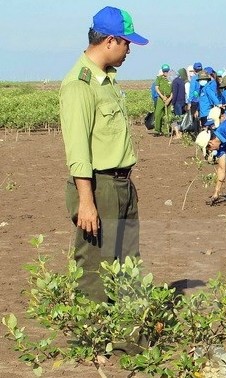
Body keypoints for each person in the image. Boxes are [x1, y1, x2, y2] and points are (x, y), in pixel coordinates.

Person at [59, 6, 148, 303]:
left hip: (121, 184)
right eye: (126, 43)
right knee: (96, 271)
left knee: (128, 265)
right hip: (98, 187)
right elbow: (78, 150)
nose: (129, 51)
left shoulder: (107, 80)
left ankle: (127, 345)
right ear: (110, 41)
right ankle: (92, 346)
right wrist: (87, 202)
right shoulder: (79, 84)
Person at [153, 64, 172, 136]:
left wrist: (169, 99)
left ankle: (167, 130)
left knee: (168, 115)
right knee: (158, 114)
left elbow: (173, 90)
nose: (165, 73)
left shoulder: (171, 78)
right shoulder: (159, 78)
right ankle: (157, 130)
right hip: (161, 98)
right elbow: (157, 88)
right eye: (164, 71)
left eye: (167, 71)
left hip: (169, 98)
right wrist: (162, 97)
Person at [170, 68, 188, 139]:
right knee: (181, 117)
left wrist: (173, 103)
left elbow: (175, 94)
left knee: (177, 118)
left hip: (177, 102)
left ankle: (178, 134)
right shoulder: (181, 81)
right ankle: (182, 133)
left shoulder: (175, 82)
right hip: (182, 101)